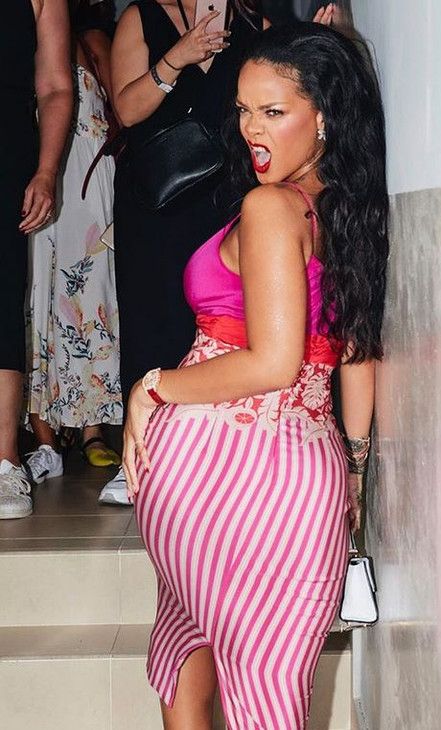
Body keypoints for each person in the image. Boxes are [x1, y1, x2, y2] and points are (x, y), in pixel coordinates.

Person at [121, 23, 387, 728]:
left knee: (201, 646)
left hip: (222, 468)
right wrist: (354, 470)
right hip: (303, 469)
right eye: (243, 109)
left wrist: (152, 387)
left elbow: (271, 363)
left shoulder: (271, 207)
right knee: (252, 678)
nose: (249, 129)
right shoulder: (350, 210)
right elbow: (356, 354)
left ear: (325, 116)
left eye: (273, 111)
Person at [100, 0, 267, 504]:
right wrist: (177, 57)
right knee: (154, 317)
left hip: (229, 198)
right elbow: (127, 110)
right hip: (157, 202)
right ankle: (142, 454)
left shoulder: (250, 21)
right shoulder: (142, 16)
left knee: (225, 320)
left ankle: (218, 451)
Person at [24, 0, 124, 486]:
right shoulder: (25, 33)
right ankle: (44, 436)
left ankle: (92, 429)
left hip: (86, 180)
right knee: (34, 297)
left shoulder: (93, 41)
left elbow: (119, 109)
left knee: (88, 295)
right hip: (34, 172)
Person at [0, 0, 74, 520]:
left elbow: (54, 86)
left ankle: (4, 462)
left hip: (6, 152)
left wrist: (46, 171)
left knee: (2, 298)